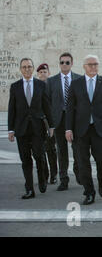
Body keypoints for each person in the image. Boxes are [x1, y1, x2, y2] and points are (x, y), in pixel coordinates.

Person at [65, 55, 102, 205]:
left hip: (99, 129)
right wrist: (68, 128)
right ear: (84, 66)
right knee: (82, 162)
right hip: (80, 130)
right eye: (90, 64)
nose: (93, 67)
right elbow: (70, 109)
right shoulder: (75, 84)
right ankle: (89, 192)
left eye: (96, 64)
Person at [8, 58, 54, 199]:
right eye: (24, 67)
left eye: (29, 67)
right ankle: (29, 189)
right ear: (21, 69)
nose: (27, 69)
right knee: (25, 160)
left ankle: (42, 180)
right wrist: (11, 130)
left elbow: (47, 106)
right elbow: (12, 109)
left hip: (37, 128)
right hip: (21, 129)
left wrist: (51, 126)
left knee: (39, 156)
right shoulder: (15, 86)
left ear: (33, 69)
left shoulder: (40, 85)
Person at [47, 53, 82, 191]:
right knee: (61, 151)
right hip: (59, 120)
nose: (64, 65)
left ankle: (78, 171)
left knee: (78, 149)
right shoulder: (51, 81)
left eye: (67, 62)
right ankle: (63, 179)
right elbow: (48, 103)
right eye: (62, 62)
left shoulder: (79, 79)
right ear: (59, 63)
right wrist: (51, 123)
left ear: (72, 63)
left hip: (75, 120)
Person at [37, 63, 58, 185]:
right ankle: (44, 174)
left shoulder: (53, 86)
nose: (43, 74)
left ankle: (53, 175)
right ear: (38, 74)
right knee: (40, 150)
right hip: (39, 122)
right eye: (40, 72)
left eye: (45, 72)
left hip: (50, 123)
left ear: (48, 73)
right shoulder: (35, 86)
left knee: (51, 149)